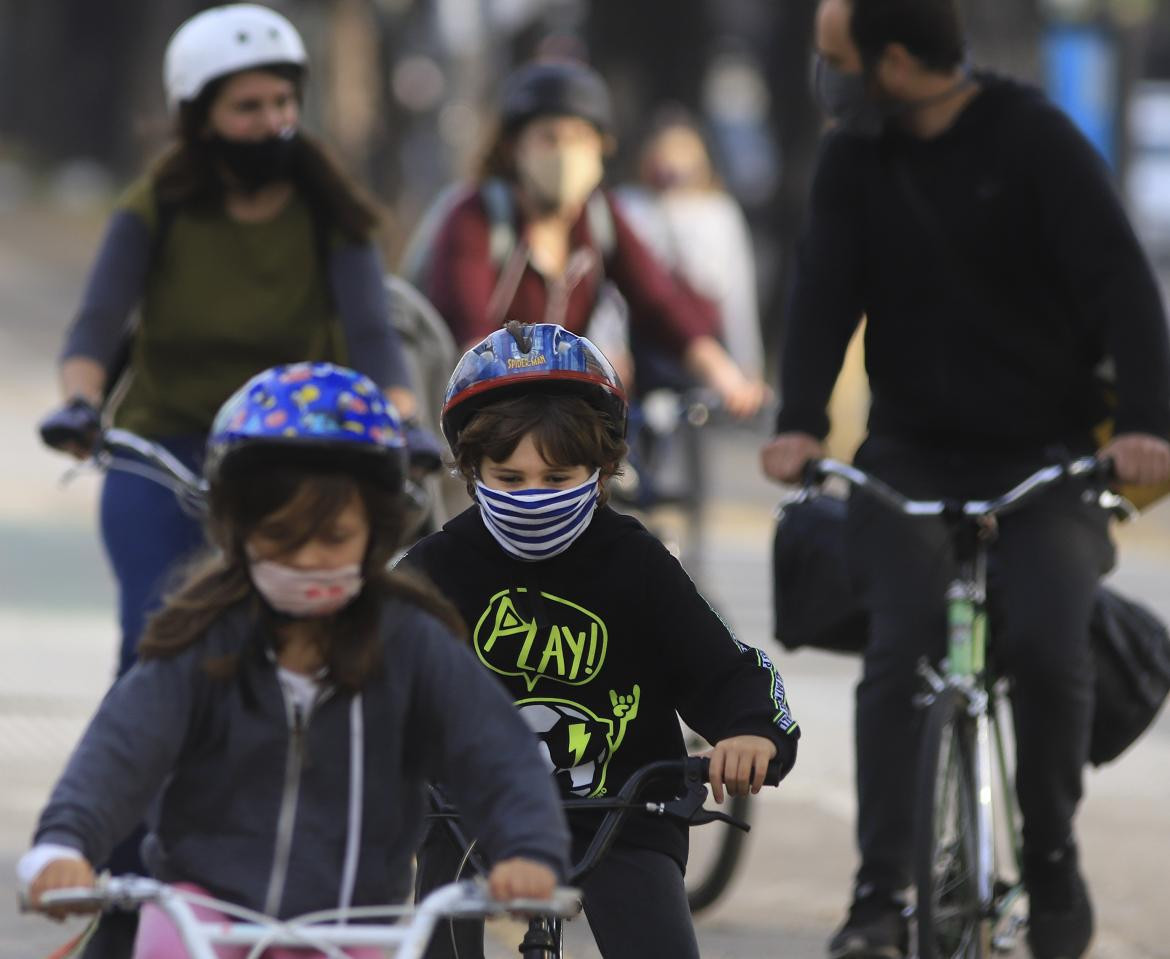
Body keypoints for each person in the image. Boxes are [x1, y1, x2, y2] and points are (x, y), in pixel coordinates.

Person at [758, 2, 1170, 958]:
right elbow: (822, 291)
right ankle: (876, 898)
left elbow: (1123, 286)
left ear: (894, 62)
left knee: (1047, 641)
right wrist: (797, 424)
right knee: (899, 657)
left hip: (1046, 455)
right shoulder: (853, 159)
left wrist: (1147, 425)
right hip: (909, 452)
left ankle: (1054, 853)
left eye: (837, 60)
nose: (827, 76)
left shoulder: (1037, 143)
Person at [19, 363, 570, 959]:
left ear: (375, 533)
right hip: (204, 918)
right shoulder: (200, 639)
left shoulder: (413, 643)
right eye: (282, 536)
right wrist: (63, 847)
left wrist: (528, 850)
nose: (308, 558)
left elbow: (496, 750)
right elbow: (121, 748)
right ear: (237, 530)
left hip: (355, 923)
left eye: (334, 537)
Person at [39, 2, 422, 680]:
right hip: (166, 447)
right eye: (249, 106)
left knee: (303, 639)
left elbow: (372, 334)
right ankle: (139, 783)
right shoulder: (155, 205)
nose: (273, 120)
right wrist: (78, 402)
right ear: (199, 117)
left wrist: (407, 419)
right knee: (156, 635)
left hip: (295, 451)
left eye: (284, 101)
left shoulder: (332, 209)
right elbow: (96, 325)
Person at [400, 321, 800, 959]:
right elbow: (362, 668)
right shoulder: (431, 570)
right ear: (471, 471)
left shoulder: (636, 563)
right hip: (468, 815)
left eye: (557, 481)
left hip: (623, 815)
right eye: (510, 479)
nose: (533, 499)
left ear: (603, 469)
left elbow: (723, 667)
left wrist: (750, 729)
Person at [420, 59, 766, 419]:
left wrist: (723, 375)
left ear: (602, 148)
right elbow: (470, 333)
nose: (564, 153)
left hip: (553, 418)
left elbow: (660, 303)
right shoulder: (475, 217)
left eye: (579, 138)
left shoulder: (600, 217)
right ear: (513, 148)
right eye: (548, 138)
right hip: (470, 414)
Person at [615, 109, 766, 387]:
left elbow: (738, 297)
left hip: (706, 344)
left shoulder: (719, 212)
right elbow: (616, 289)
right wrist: (612, 346)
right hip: (646, 346)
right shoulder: (629, 205)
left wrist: (748, 364)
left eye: (683, 150)